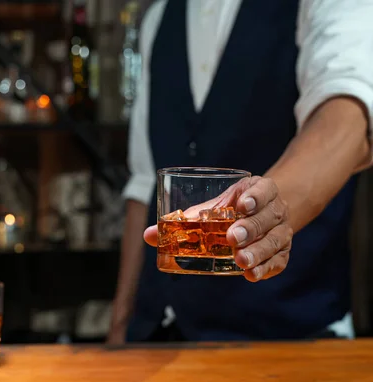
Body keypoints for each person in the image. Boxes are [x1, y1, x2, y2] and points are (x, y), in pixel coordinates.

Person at [107, 0, 373, 343]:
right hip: (160, 337)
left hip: (290, 337)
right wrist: (120, 325)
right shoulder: (159, 17)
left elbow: (347, 113)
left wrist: (267, 211)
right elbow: (145, 182)